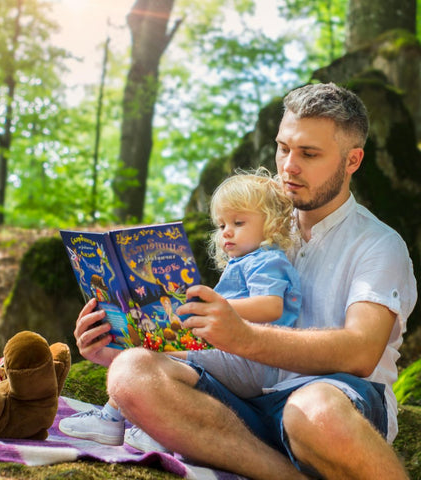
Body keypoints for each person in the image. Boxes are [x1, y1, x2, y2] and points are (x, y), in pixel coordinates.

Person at [73, 83, 417, 479]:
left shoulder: (378, 244)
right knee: (130, 372)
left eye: (309, 153)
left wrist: (242, 336)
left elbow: (361, 351)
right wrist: (119, 342)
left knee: (314, 409)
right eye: (284, 147)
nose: (289, 165)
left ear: (352, 160)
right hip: (242, 403)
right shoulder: (257, 225)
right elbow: (219, 343)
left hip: (334, 405)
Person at [60, 169, 302, 449]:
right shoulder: (246, 262)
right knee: (150, 353)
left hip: (251, 362)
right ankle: (137, 424)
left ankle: (118, 421)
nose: (227, 232)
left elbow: (271, 306)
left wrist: (216, 307)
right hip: (232, 356)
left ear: (272, 224)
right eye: (221, 225)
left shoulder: (268, 260)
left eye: (238, 222)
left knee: (156, 358)